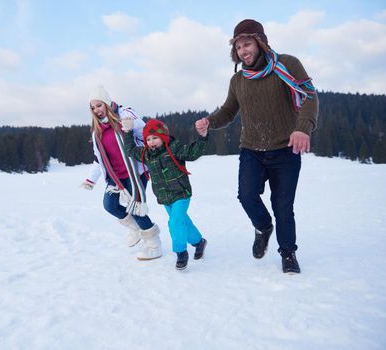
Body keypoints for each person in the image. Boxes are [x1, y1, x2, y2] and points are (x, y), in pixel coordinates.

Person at [195, 19, 319, 274]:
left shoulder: (287, 64)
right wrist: (210, 121)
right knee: (247, 195)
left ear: (260, 42)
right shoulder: (238, 80)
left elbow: (309, 95)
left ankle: (288, 253)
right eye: (239, 47)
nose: (243, 51)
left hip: (285, 149)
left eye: (247, 44)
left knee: (283, 206)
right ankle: (263, 227)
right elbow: (229, 111)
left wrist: (302, 127)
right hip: (251, 149)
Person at [80, 85, 162, 261]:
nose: (97, 110)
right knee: (110, 205)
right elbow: (99, 158)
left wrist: (132, 127)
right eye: (93, 107)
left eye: (99, 105)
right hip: (115, 177)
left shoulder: (125, 115)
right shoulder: (97, 131)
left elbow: (146, 134)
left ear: (107, 103)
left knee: (136, 209)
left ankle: (154, 245)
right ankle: (137, 230)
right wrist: (90, 179)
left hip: (135, 173)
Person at [122, 118, 208, 270]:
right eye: (148, 139)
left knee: (174, 223)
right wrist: (127, 132)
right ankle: (199, 242)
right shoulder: (146, 154)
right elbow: (130, 150)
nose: (151, 141)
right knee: (183, 223)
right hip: (165, 197)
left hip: (181, 194)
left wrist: (203, 137)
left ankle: (181, 253)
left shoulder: (174, 148)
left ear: (164, 137)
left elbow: (193, 153)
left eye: (155, 137)